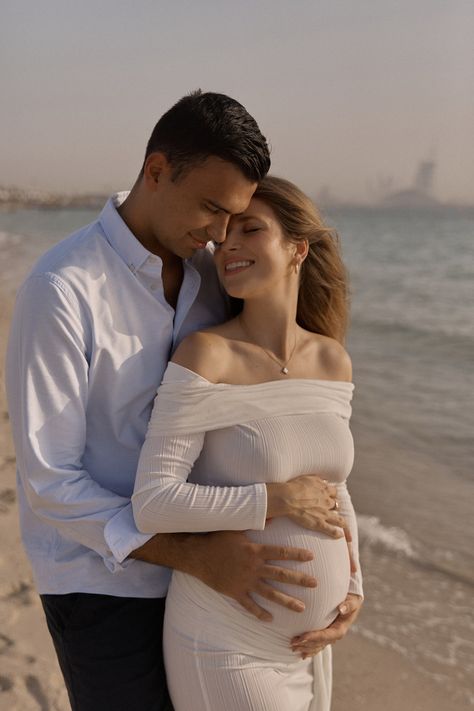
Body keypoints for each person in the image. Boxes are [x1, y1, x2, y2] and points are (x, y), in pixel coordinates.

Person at [5, 90, 361, 711]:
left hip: (215, 586)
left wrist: (347, 575)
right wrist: (198, 555)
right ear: (157, 170)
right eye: (211, 209)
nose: (220, 235)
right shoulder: (63, 290)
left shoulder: (208, 278)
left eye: (238, 218)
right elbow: (51, 484)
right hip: (104, 585)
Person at [131, 175, 364, 711]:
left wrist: (354, 586)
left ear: (297, 248)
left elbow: (334, 491)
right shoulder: (205, 355)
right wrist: (274, 498)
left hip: (307, 649)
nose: (227, 245)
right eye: (223, 236)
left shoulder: (332, 360)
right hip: (226, 639)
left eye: (250, 230)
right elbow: (152, 501)